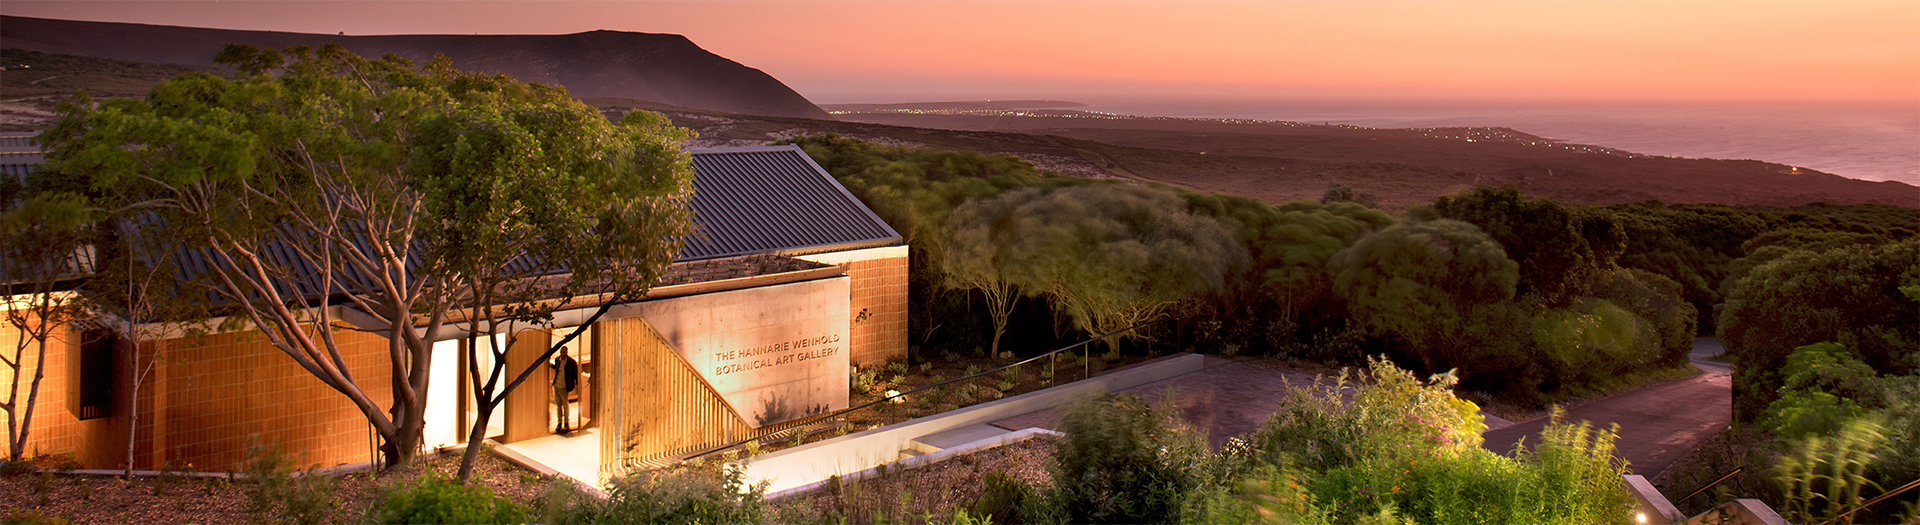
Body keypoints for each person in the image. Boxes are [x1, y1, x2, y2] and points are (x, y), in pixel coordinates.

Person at [550, 346, 580, 434]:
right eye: (561, 352)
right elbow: (557, 369)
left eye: (564, 352)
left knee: (565, 404)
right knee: (558, 405)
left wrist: (578, 385)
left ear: (566, 352)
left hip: (564, 386)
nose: (562, 354)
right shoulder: (557, 360)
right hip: (556, 385)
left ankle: (566, 422)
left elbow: (575, 374)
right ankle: (559, 422)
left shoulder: (571, 362)